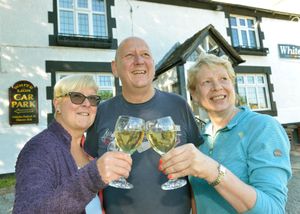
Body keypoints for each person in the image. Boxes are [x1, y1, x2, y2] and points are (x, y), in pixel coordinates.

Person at [159, 53, 292, 213]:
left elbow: (274, 209)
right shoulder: (202, 138)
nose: (217, 87)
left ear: (232, 84)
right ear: (194, 94)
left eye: (223, 79)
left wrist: (212, 171)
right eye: (207, 82)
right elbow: (197, 198)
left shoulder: (263, 127)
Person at [84, 37, 202, 214]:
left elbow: (196, 172)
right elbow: (87, 165)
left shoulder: (179, 105)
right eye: (129, 55)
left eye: (145, 54)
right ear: (115, 68)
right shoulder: (101, 112)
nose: (139, 61)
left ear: (153, 64)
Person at [13, 74, 132, 213]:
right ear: (57, 104)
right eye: (77, 97)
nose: (87, 104)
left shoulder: (88, 150)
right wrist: (93, 176)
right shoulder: (39, 149)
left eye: (93, 99)